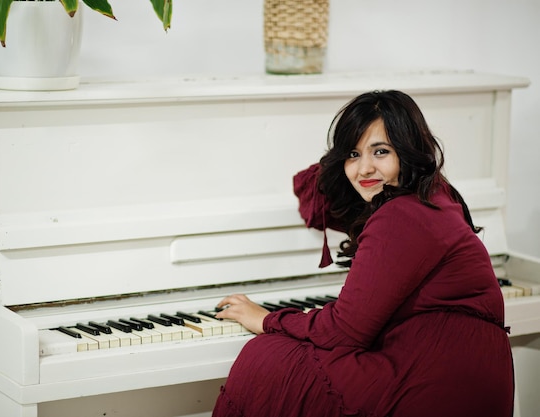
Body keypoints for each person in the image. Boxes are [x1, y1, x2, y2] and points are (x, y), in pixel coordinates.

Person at [212, 90, 514, 417]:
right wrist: (351, 161)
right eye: (353, 155)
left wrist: (266, 318)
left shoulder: (401, 215)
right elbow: (315, 187)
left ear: (409, 150)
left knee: (266, 357)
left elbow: (345, 332)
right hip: (476, 373)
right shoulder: (437, 192)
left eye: (380, 151)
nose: (364, 169)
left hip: (435, 383)